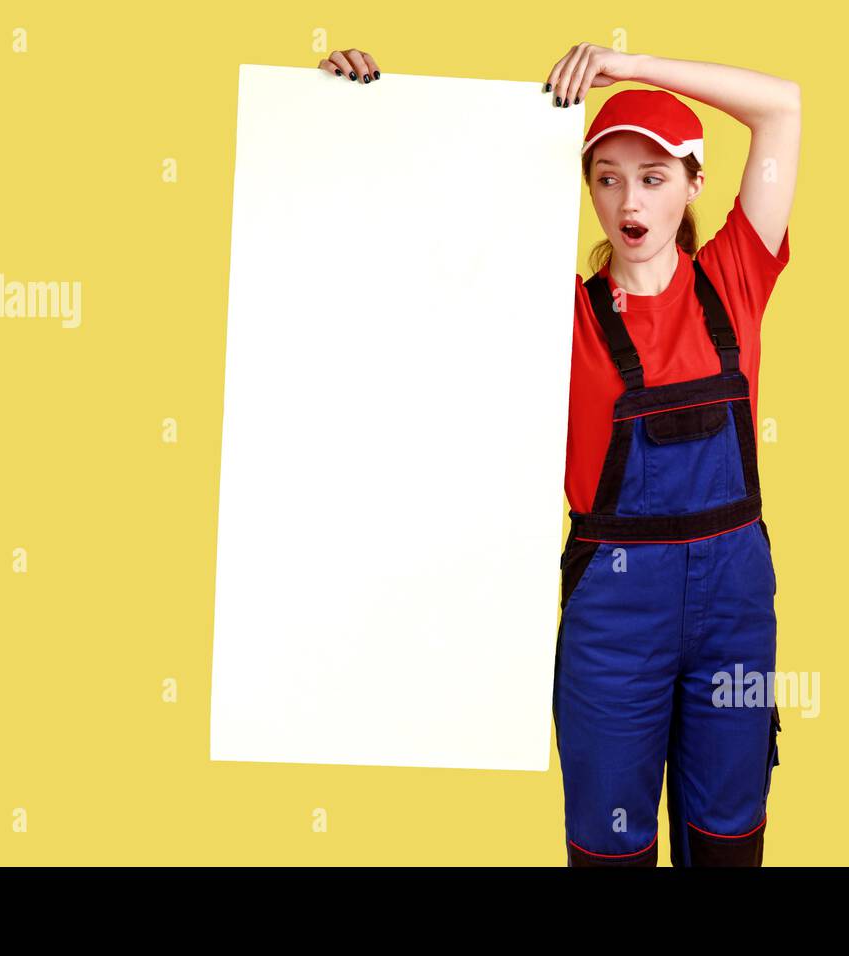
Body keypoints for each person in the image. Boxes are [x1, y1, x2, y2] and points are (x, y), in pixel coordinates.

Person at [317, 44, 799, 867]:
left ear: (693, 184)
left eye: (653, 176)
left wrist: (628, 66)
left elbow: (780, 106)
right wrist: (346, 113)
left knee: (729, 840)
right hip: (615, 620)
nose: (628, 200)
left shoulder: (736, 276)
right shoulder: (552, 313)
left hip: (736, 615)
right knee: (611, 846)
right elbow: (399, 263)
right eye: (606, 176)